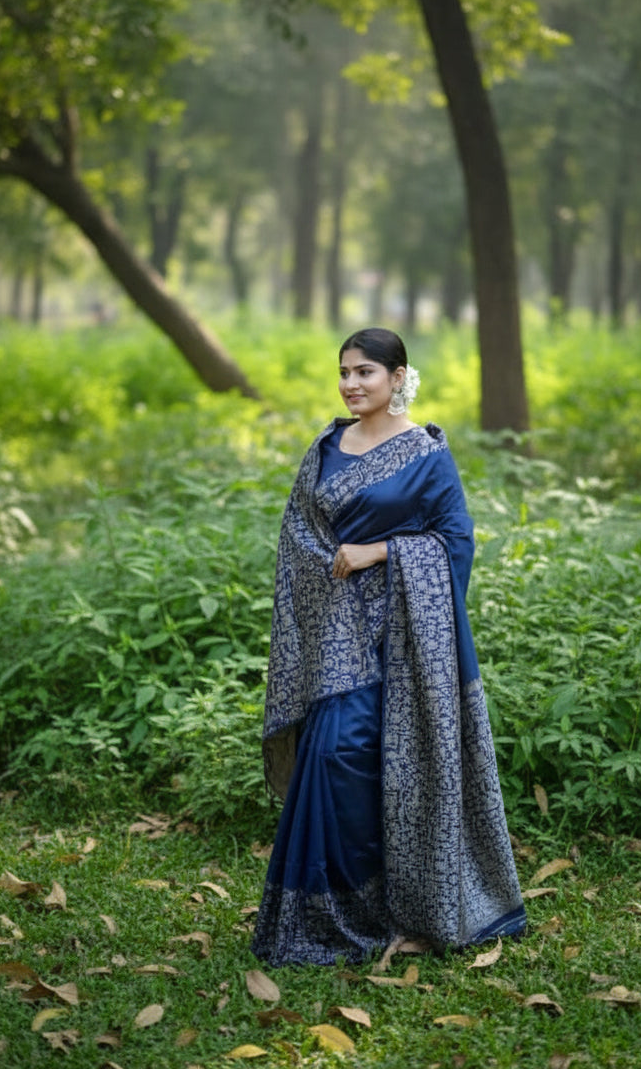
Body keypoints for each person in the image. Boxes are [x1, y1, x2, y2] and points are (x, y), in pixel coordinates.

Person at [251, 328, 525, 966]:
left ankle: (414, 910)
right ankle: (338, 915)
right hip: (337, 638)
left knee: (398, 768)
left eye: (365, 372)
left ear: (398, 376)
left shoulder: (425, 453)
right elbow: (299, 534)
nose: (351, 384)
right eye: (344, 372)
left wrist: (382, 551)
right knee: (337, 759)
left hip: (409, 643)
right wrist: (336, 587)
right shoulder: (326, 446)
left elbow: (455, 542)